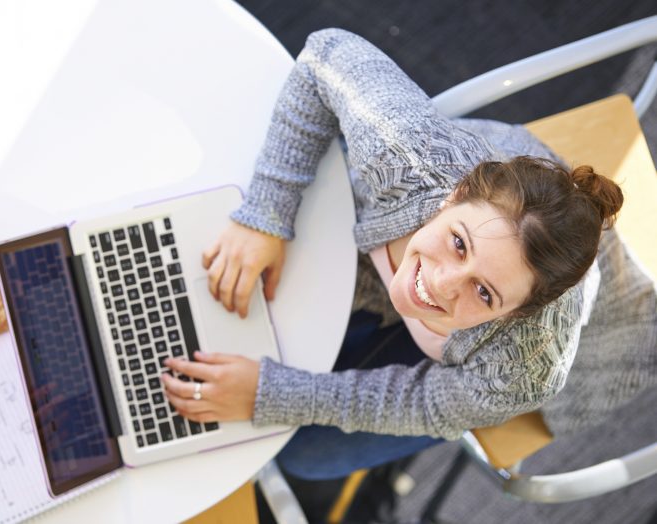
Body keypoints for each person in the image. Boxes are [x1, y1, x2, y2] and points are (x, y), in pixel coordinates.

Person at [160, 28, 657, 481]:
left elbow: (422, 402)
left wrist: (272, 395)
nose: (439, 286)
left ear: (516, 314)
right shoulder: (413, 160)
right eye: (458, 242)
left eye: (483, 292)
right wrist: (267, 212)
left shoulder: (526, 364)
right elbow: (327, 53)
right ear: (454, 195)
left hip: (588, 329)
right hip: (496, 202)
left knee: (306, 456)